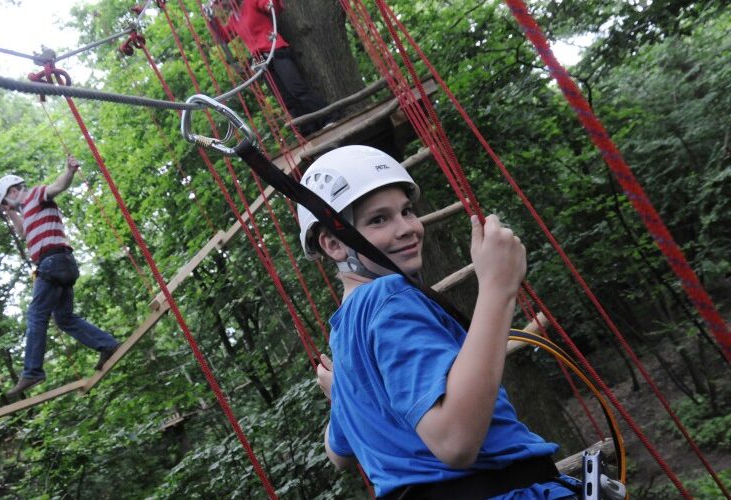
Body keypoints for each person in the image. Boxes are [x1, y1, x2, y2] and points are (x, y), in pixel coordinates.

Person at [298, 146, 578, 498]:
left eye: (407, 211)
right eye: (378, 220)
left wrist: (343, 395)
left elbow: (338, 454)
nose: (407, 229)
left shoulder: (345, 334)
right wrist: (496, 286)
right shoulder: (389, 298)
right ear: (333, 244)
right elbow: (455, 441)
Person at [0, 155, 121, 397]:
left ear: (13, 190)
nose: (11, 206)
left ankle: (32, 372)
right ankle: (107, 344)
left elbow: (58, 186)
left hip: (52, 263)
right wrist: (9, 212)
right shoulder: (28, 213)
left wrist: (70, 171)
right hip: (62, 264)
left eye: (8, 200)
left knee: (36, 315)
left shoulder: (35, 195)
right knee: (63, 318)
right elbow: (21, 232)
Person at [203, 0, 334, 136]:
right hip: (262, 62)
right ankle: (309, 130)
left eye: (220, 1)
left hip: (276, 51)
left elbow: (273, 6)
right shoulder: (234, 19)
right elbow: (224, 37)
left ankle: (329, 117)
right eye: (217, 2)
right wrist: (211, 20)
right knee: (286, 100)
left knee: (298, 90)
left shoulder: (251, 2)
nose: (220, 4)